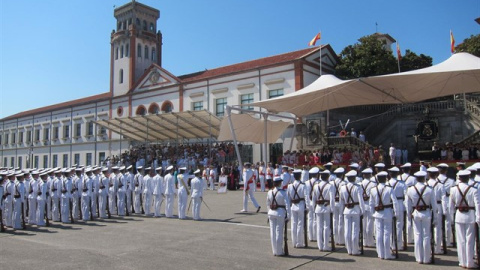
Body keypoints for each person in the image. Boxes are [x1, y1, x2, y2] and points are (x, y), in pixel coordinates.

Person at [449, 169, 480, 269]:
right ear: (468, 178)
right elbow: (478, 205)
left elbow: (451, 206)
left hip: (458, 215)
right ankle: (469, 262)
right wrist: (478, 219)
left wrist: (451, 217)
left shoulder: (453, 189)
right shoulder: (474, 189)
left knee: (461, 240)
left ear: (459, 178)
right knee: (470, 240)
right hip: (470, 215)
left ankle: (462, 261)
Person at [405, 170, 436, 264]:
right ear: (424, 178)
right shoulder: (430, 189)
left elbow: (407, 204)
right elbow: (434, 206)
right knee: (426, 235)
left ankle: (419, 258)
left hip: (416, 213)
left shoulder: (410, 189)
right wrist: (435, 218)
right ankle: (426, 258)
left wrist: (409, 214)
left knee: (418, 235)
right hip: (426, 213)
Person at [369, 171, 399, 260]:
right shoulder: (389, 189)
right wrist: (396, 213)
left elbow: (371, 203)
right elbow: (395, 201)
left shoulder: (373, 189)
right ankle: (387, 254)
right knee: (386, 233)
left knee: (379, 234)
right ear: (385, 179)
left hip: (377, 213)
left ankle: (380, 253)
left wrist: (372, 214)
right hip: (387, 212)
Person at [339, 170, 365, 255]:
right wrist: (362, 211)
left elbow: (341, 201)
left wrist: (341, 211)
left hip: (346, 210)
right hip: (355, 210)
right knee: (355, 231)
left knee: (347, 230)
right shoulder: (358, 187)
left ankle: (349, 250)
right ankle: (355, 250)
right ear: (354, 178)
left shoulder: (342, 188)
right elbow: (361, 200)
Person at [267, 176, 291, 256]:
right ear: (280, 183)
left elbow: (268, 204)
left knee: (272, 233)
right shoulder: (283, 192)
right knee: (279, 232)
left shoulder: (270, 192)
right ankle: (279, 251)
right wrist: (288, 215)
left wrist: (268, 213)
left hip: (271, 213)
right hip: (280, 213)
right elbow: (287, 205)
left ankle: (274, 251)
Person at [312, 169, 335, 251]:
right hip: (326, 207)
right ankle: (325, 245)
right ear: (328, 177)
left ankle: (320, 246)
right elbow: (332, 199)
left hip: (318, 207)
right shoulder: (330, 186)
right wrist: (332, 209)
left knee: (319, 227)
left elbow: (313, 199)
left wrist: (314, 208)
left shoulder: (316, 186)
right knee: (326, 227)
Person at [426, 167, 447, 254]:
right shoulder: (440, 185)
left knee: (427, 229)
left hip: (427, 207)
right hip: (438, 206)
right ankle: (437, 248)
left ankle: (428, 248)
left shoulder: (425, 183)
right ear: (436, 175)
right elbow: (444, 199)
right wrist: (445, 211)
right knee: (438, 228)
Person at [436, 163, 455, 247]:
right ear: (446, 171)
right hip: (448, 201)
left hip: (438, 202)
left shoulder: (435, 180)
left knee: (437, 223)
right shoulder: (451, 181)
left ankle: (438, 241)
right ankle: (447, 241)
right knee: (448, 221)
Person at [388, 166, 407, 250]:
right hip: (399, 202)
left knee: (390, 224)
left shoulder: (387, 183)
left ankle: (391, 243)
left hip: (389, 204)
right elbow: (406, 195)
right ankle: (398, 244)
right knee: (399, 224)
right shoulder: (402, 183)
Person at [287, 169, 305, 248]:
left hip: (293, 205)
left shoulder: (290, 186)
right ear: (300, 176)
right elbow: (306, 197)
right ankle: (299, 242)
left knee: (293, 224)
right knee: (300, 224)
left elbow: (288, 198)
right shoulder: (303, 185)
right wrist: (307, 207)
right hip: (300, 204)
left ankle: (294, 242)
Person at [360, 168, 376, 247]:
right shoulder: (373, 184)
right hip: (370, 205)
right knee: (370, 224)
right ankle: (370, 241)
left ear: (363, 175)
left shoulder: (360, 183)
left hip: (362, 205)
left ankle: (364, 241)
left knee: (363, 223)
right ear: (370, 175)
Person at [305, 167, 319, 242]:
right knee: (315, 219)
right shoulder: (319, 182)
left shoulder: (307, 183)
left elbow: (306, 194)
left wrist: (307, 204)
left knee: (310, 219)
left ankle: (310, 236)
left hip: (309, 202)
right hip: (317, 202)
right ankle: (315, 235)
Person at [332, 167, 346, 246]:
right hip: (341, 202)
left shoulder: (332, 183)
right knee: (341, 221)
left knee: (335, 221)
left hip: (334, 202)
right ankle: (341, 240)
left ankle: (335, 239)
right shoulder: (343, 183)